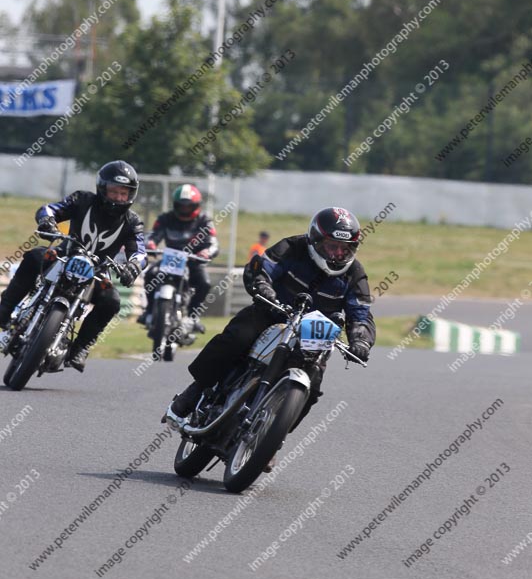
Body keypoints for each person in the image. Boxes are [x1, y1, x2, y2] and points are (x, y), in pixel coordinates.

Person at [163, 206, 375, 431]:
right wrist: (263, 287)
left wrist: (360, 340)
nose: (337, 254)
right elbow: (263, 268)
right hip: (272, 312)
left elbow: (360, 312)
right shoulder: (292, 248)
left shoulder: (355, 274)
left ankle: (271, 440)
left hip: (312, 336)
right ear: (316, 241)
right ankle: (192, 393)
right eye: (332, 246)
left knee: (312, 388)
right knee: (236, 338)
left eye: (345, 249)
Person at [0, 160, 146, 372]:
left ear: (131, 195)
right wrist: (47, 221)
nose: (119, 198)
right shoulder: (82, 200)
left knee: (112, 301)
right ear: (102, 188)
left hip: (96, 273)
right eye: (114, 191)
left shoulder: (133, 222)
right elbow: (50, 209)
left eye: (124, 193)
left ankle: (80, 348)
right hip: (63, 255)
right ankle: (4, 310)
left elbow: (140, 251)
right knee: (33, 256)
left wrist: (133, 266)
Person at [140, 183, 219, 330]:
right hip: (169, 259)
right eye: (181, 206)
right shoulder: (165, 218)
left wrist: (206, 252)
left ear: (196, 206)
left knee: (204, 283)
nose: (185, 209)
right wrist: (150, 243)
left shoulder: (205, 222)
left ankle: (192, 317)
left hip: (193, 261)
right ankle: (149, 311)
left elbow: (213, 243)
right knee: (150, 274)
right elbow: (154, 235)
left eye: (189, 206)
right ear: (175, 205)